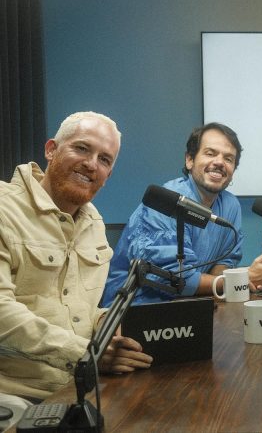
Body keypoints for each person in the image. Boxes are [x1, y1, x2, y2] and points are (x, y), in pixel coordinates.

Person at [0, 112, 152, 423]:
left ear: (108, 174)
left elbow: (79, 308)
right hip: (16, 393)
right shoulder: (5, 209)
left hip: (80, 386)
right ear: (51, 149)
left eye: (104, 160)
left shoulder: (93, 223)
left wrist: (106, 323)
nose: (91, 164)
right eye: (82, 148)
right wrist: (86, 354)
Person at [100, 122, 262, 307]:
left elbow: (225, 260)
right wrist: (240, 279)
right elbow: (174, 279)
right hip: (134, 308)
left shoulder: (230, 206)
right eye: (210, 153)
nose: (219, 162)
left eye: (228, 158)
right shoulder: (167, 202)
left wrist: (234, 280)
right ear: (190, 160)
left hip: (190, 304)